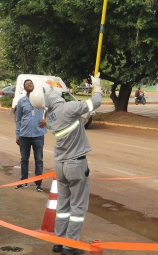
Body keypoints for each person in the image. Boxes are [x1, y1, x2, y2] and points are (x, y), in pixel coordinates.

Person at [30, 74, 102, 255]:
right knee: (78, 207)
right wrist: (97, 86)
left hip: (60, 165)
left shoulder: (50, 117)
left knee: (63, 206)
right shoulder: (69, 108)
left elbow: (74, 120)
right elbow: (96, 102)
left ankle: (59, 242)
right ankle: (70, 246)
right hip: (76, 164)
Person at [14, 78, 46, 191]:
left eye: (31, 83)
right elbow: (18, 119)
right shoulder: (21, 101)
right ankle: (24, 182)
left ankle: (38, 184)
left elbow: (52, 111)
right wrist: (17, 134)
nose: (29, 84)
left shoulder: (42, 100)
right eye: (27, 84)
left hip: (38, 135)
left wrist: (46, 120)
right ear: (24, 88)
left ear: (33, 86)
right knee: (24, 159)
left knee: (39, 160)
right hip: (24, 135)